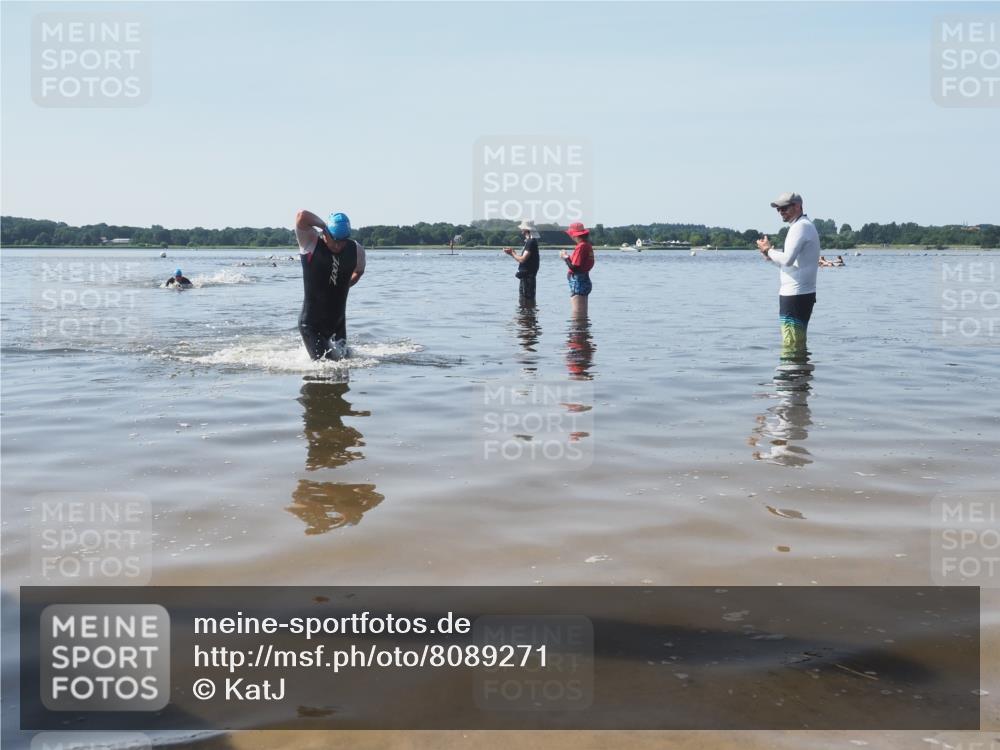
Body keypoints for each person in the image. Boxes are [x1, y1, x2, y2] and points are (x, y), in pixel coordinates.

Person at [756, 192, 820, 363]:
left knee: (791, 344)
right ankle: (798, 383)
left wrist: (768, 250)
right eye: (778, 209)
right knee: (795, 343)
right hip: (799, 294)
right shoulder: (802, 225)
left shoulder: (800, 227)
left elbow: (788, 259)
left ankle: (792, 384)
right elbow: (791, 263)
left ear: (798, 206)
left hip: (795, 295)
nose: (781, 212)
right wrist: (770, 257)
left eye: (784, 208)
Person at [294, 209, 366, 360]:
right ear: (325, 233)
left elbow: (359, 270)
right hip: (311, 325)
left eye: (343, 241)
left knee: (344, 370)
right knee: (327, 367)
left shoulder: (356, 249)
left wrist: (343, 285)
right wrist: (324, 225)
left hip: (338, 324)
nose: (339, 246)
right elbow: (302, 216)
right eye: (335, 240)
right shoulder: (310, 243)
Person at [560, 222, 594, 317]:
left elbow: (574, 267)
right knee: (582, 314)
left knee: (578, 315)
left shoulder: (581, 246)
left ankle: (578, 331)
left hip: (578, 281)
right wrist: (567, 258)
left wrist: (565, 257)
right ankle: (582, 331)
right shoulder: (587, 245)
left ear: (574, 235)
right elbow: (579, 264)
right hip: (584, 279)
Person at [503, 219, 541, 302]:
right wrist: (513, 253)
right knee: (525, 301)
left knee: (526, 301)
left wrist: (512, 254)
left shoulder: (530, 242)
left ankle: (527, 314)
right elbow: (523, 259)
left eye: (522, 228)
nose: (521, 230)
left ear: (526, 230)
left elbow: (523, 259)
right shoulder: (531, 242)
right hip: (527, 276)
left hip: (528, 277)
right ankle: (528, 314)